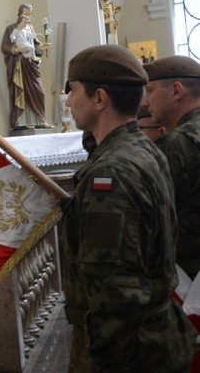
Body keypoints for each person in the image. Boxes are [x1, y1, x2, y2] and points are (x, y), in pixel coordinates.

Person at [62, 45, 196, 372]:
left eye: (73, 91)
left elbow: (114, 292)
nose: (68, 101)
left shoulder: (110, 175)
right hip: (155, 335)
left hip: (129, 352)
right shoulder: (142, 150)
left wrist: (102, 359)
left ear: (100, 98)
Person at [143, 55, 200, 278]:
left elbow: (152, 218)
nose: (146, 103)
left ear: (176, 91)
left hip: (191, 276)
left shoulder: (178, 143)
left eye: (150, 91)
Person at [0, 5, 50, 130]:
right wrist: (17, 50)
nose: (29, 16)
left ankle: (40, 120)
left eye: (30, 14)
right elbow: (5, 48)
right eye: (26, 14)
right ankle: (23, 122)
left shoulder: (30, 28)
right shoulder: (11, 28)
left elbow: (35, 46)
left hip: (31, 63)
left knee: (39, 92)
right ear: (20, 14)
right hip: (20, 65)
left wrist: (41, 48)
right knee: (23, 92)